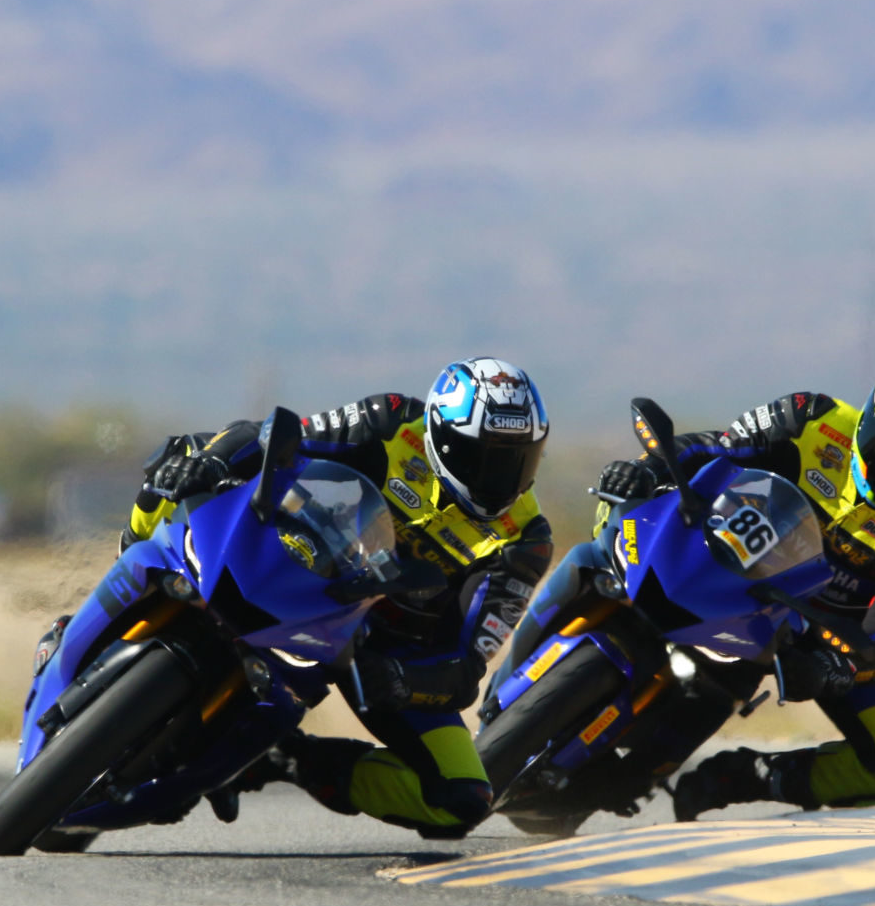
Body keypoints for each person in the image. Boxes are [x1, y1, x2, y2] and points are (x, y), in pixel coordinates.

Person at [121, 357, 553, 838]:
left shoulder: (525, 539)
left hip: (385, 646)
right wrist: (213, 464)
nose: (505, 476)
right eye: (488, 456)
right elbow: (275, 439)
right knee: (196, 452)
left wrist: (402, 680)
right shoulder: (390, 422)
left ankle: (293, 758)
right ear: (442, 435)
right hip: (309, 566)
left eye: (521, 458)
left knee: (461, 799)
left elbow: (468, 663)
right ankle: (129, 574)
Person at [592, 365, 875, 817]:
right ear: (869, 421)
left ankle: (748, 775)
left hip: (813, 634)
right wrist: (650, 469)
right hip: (732, 570)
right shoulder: (811, 417)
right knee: (615, 533)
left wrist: (837, 666)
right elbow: (716, 447)